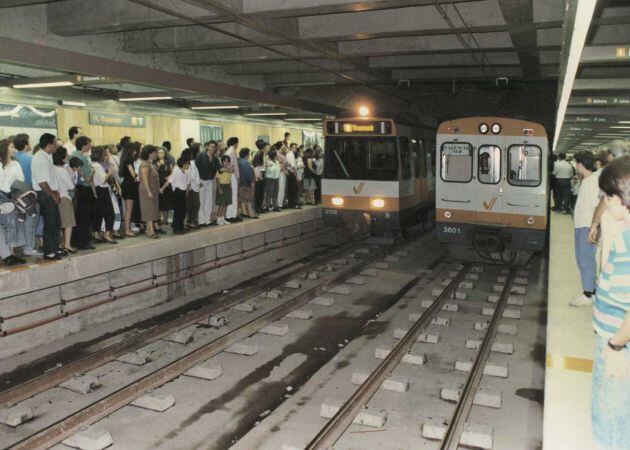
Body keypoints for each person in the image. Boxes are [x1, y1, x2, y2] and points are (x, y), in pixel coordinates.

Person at [590, 156, 630, 450]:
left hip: (619, 344)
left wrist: (616, 345)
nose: (605, 201)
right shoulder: (625, 234)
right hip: (615, 338)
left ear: (621, 197)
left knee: (611, 420)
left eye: (607, 196)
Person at [570, 152, 601, 307]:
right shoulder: (587, 180)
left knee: (585, 259)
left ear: (581, 164)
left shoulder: (594, 181)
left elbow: (598, 205)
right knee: (582, 258)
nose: (576, 165)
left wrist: (594, 228)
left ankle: (588, 294)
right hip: (581, 224)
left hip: (586, 225)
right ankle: (592, 291)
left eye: (576, 163)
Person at [32, 133, 63, 261]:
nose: (56, 146)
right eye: (55, 143)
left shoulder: (47, 156)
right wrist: (53, 194)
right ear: (49, 145)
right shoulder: (40, 158)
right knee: (50, 223)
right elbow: (42, 182)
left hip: (50, 192)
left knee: (56, 222)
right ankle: (49, 251)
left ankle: (55, 248)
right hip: (45, 193)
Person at [0, 139, 26, 264]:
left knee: (12, 214)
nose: (14, 149)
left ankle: (9, 253)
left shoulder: (16, 164)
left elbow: (20, 182)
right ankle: (8, 254)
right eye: (11, 146)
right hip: (3, 196)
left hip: (10, 196)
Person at [12, 133, 39, 256]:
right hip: (28, 193)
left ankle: (21, 246)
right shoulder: (30, 159)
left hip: (14, 194)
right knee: (30, 221)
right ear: (25, 144)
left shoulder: (13, 158)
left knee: (19, 221)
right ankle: (29, 247)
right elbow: (35, 178)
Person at [72, 135, 95, 250]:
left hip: (78, 189)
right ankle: (84, 241)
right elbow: (85, 176)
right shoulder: (82, 157)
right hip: (84, 189)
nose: (90, 146)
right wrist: (91, 173)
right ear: (84, 145)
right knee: (84, 217)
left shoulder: (74, 155)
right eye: (89, 144)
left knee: (80, 217)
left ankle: (79, 241)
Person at [53, 147, 77, 253]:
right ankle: (67, 244)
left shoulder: (52, 169)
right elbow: (70, 186)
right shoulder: (62, 170)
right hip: (64, 197)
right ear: (62, 157)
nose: (68, 156)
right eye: (66, 154)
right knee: (68, 223)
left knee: (59, 223)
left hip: (55, 197)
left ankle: (61, 243)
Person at [90, 146, 117, 244]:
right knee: (110, 214)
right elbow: (102, 180)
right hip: (102, 190)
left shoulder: (93, 164)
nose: (106, 156)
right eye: (105, 154)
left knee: (98, 213)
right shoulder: (97, 166)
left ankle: (96, 234)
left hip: (98, 190)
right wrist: (110, 173)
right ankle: (106, 234)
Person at [161, 153, 190, 234]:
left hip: (183, 193)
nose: (188, 165)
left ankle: (181, 226)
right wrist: (162, 188)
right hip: (177, 193)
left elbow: (187, 183)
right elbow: (169, 181)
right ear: (184, 164)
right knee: (178, 212)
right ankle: (176, 228)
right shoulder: (177, 172)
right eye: (187, 164)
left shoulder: (185, 172)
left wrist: (187, 192)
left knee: (183, 211)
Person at [138, 145, 160, 238]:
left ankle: (149, 229)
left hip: (153, 189)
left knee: (152, 209)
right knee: (149, 209)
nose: (156, 154)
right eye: (155, 152)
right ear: (150, 154)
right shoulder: (144, 165)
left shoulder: (150, 163)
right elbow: (145, 179)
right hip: (147, 189)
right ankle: (150, 230)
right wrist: (148, 191)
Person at [119, 141, 140, 237]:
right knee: (129, 210)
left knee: (128, 209)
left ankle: (128, 228)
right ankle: (127, 229)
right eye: (134, 150)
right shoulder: (128, 160)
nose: (136, 152)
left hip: (126, 184)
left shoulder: (124, 159)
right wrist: (136, 173)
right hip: (129, 185)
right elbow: (133, 174)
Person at [197, 141, 219, 226]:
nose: (212, 148)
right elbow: (196, 169)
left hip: (209, 181)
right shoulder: (201, 156)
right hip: (201, 181)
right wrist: (198, 181)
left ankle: (207, 220)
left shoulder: (216, 159)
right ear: (207, 147)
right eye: (211, 147)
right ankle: (201, 221)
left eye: (214, 147)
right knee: (201, 201)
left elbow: (219, 168)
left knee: (209, 201)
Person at [155, 147, 173, 227]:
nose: (160, 154)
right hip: (158, 182)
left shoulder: (168, 161)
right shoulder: (155, 162)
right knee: (159, 202)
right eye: (159, 153)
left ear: (164, 153)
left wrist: (169, 176)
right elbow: (153, 172)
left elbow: (172, 172)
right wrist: (158, 166)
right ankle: (158, 219)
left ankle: (165, 219)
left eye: (162, 152)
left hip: (166, 183)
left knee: (166, 202)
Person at [224, 137, 241, 223]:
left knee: (233, 196)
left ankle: (233, 215)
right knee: (233, 196)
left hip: (231, 175)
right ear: (235, 143)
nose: (238, 145)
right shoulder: (231, 152)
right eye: (237, 143)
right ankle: (230, 215)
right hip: (232, 175)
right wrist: (238, 177)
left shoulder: (229, 151)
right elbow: (233, 166)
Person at [237, 148, 257, 219]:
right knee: (249, 199)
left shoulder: (238, 161)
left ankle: (244, 213)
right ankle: (251, 213)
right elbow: (248, 174)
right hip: (246, 183)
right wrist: (252, 182)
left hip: (240, 183)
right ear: (246, 155)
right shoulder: (246, 162)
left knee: (242, 200)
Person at [186, 143, 201, 229]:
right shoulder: (190, 162)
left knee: (196, 204)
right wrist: (197, 182)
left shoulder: (194, 162)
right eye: (199, 151)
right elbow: (191, 175)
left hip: (195, 186)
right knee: (193, 205)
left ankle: (194, 220)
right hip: (191, 187)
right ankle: (190, 221)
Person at [216, 155, 233, 225]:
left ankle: (223, 218)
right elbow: (217, 179)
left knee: (226, 204)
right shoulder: (220, 169)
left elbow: (229, 180)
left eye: (228, 161)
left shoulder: (229, 170)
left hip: (227, 187)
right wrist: (219, 189)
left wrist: (230, 188)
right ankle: (218, 218)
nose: (226, 162)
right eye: (225, 161)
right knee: (221, 204)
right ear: (222, 161)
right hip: (222, 186)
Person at [265, 148, 281, 212]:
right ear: (274, 156)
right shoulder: (268, 162)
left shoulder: (277, 162)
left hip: (276, 179)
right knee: (269, 193)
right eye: (277, 155)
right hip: (270, 179)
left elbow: (279, 169)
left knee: (275, 193)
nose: (278, 156)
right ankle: (267, 206)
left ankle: (275, 206)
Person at [252, 148, 266, 214]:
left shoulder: (261, 162)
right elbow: (256, 172)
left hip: (260, 178)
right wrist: (260, 177)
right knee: (257, 194)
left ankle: (260, 207)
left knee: (261, 194)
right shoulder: (256, 162)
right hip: (257, 180)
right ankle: (257, 208)